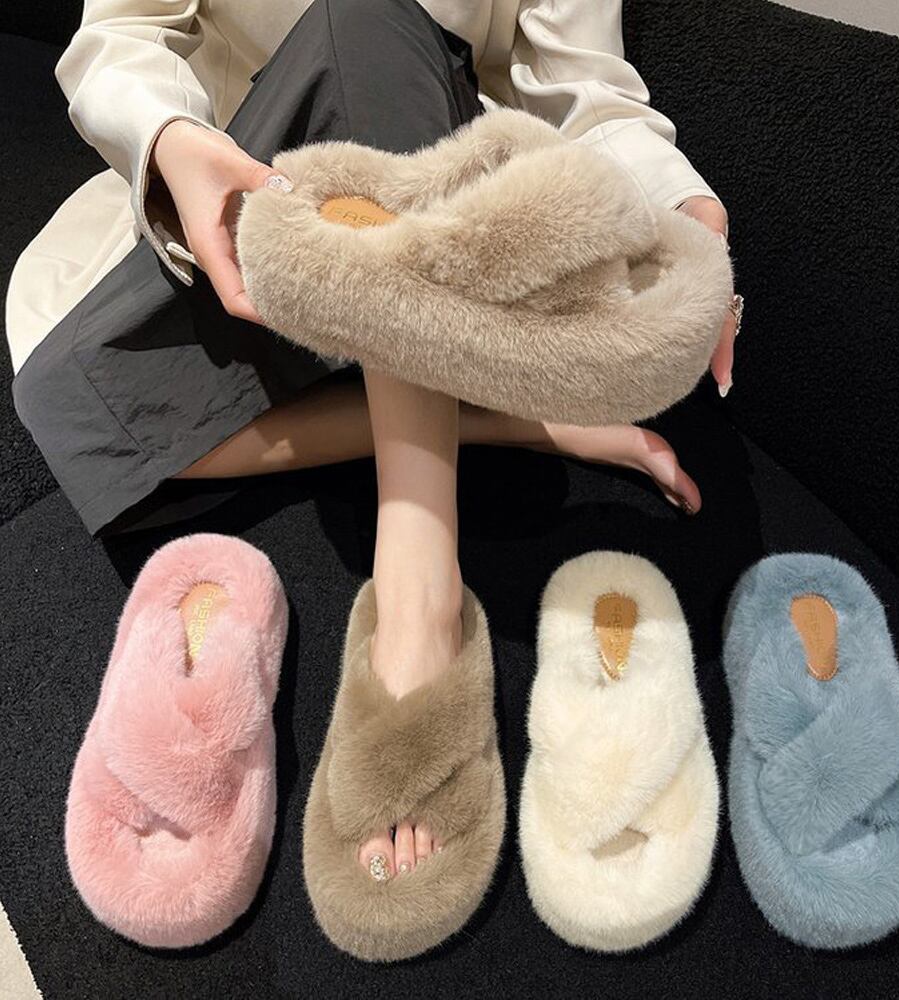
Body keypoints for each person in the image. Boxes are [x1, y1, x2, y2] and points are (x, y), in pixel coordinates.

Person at [4, 0, 741, 880]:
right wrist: (170, 137)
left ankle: (418, 586)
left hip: (459, 223)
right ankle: (501, 416)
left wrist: (686, 210)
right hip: (254, 191)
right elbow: (121, 32)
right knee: (66, 401)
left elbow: (584, 88)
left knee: (367, 17)